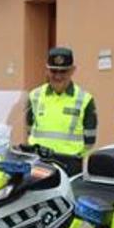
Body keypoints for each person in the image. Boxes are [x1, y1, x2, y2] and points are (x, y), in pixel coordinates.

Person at [26, 47, 96, 175]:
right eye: (54, 71)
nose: (58, 76)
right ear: (47, 70)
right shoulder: (34, 96)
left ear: (72, 70)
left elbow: (90, 140)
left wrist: (73, 155)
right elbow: (29, 130)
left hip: (69, 165)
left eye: (63, 71)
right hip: (39, 163)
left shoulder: (85, 99)